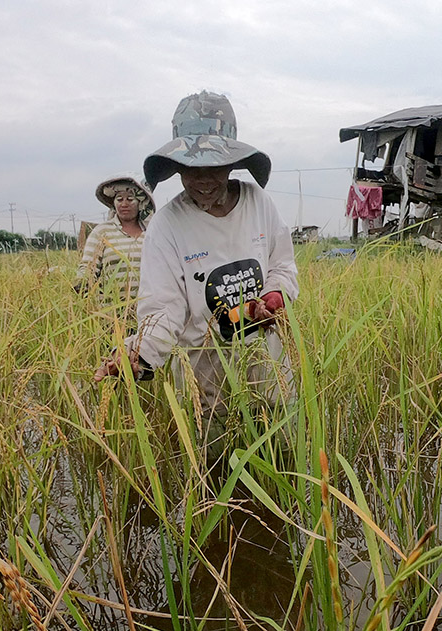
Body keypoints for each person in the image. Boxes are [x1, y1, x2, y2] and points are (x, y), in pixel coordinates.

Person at [94, 91, 298, 419]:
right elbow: (164, 309)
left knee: (284, 450)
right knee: (213, 461)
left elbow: (283, 265)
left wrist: (274, 297)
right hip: (204, 373)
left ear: (232, 163)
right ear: (175, 166)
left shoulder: (259, 203)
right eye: (191, 167)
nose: (203, 179)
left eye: (214, 166)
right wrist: (138, 355)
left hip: (267, 362)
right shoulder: (166, 225)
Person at [76, 175, 154, 314]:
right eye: (119, 199)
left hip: (148, 313)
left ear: (141, 203)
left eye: (130, 199)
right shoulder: (103, 231)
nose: (124, 204)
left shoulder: (152, 233)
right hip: (111, 314)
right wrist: (82, 282)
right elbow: (89, 266)